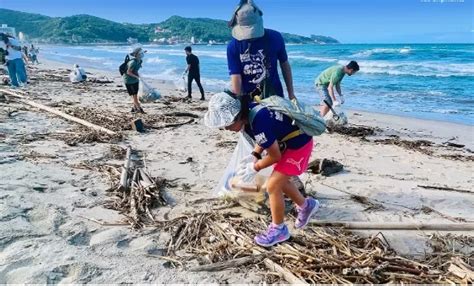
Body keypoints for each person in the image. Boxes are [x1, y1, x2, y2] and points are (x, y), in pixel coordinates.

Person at [204, 92, 320, 247]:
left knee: (273, 185)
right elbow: (265, 138)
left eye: (228, 124)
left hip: (298, 146)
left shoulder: (258, 121)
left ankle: (279, 229)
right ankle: (307, 205)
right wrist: (255, 154)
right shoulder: (251, 113)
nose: (226, 128)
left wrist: (255, 167)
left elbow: (275, 156)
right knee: (281, 183)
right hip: (289, 143)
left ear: (238, 116)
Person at [227, 0, 296, 101]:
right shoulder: (233, 46)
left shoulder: (275, 38)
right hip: (248, 98)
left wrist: (291, 94)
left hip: (275, 96)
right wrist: (239, 103)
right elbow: (236, 76)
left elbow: (284, 65)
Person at [123, 47, 146, 113]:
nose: (142, 55)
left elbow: (135, 70)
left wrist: (139, 77)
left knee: (135, 95)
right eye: (140, 53)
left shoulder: (140, 61)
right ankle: (139, 109)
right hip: (129, 81)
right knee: (134, 96)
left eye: (142, 53)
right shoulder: (132, 62)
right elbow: (128, 72)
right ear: (136, 55)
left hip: (135, 80)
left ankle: (133, 108)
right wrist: (137, 77)